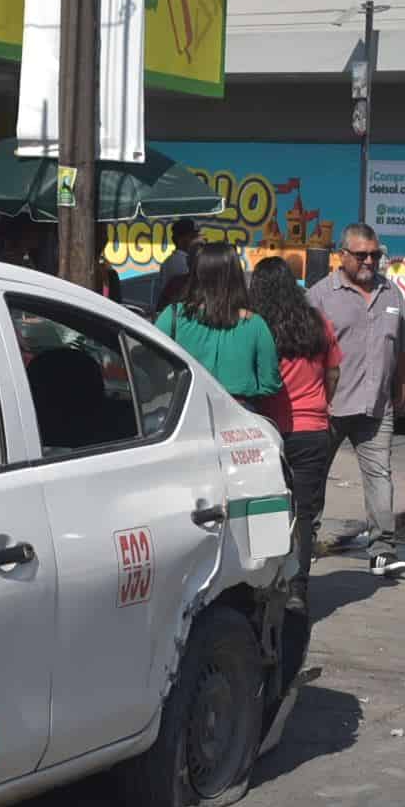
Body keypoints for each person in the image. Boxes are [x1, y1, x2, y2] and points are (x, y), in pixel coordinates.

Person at [309, 222, 405, 579]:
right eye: (362, 255)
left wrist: (401, 387)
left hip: (376, 407)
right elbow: (308, 354)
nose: (370, 261)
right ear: (342, 256)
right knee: (314, 477)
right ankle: (304, 543)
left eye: (375, 254)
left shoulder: (392, 296)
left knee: (380, 477)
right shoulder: (320, 296)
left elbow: (401, 348)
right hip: (329, 407)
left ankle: (382, 551)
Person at [250, 256, 341, 608]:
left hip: (267, 431)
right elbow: (333, 373)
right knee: (303, 514)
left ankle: (264, 584)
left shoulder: (256, 325)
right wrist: (322, 403)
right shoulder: (317, 323)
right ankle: (297, 589)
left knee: (264, 510)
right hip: (312, 429)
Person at [155, 244, 279, 416]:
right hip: (239, 414)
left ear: (197, 274)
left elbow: (151, 364)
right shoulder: (255, 324)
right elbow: (270, 383)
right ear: (236, 276)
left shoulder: (172, 315)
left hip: (184, 413)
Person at [153, 218, 206, 311]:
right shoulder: (179, 261)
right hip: (179, 312)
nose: (198, 239)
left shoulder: (174, 259)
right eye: (193, 236)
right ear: (180, 239)